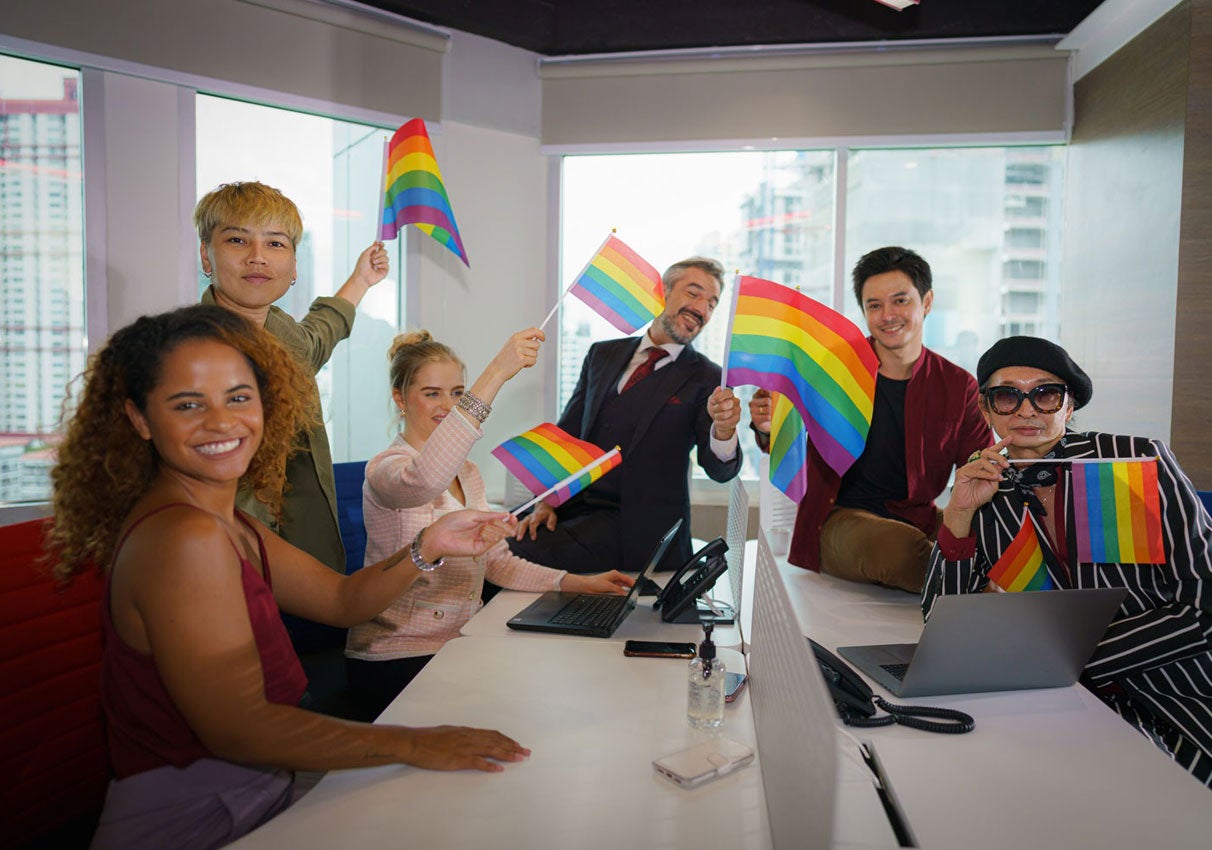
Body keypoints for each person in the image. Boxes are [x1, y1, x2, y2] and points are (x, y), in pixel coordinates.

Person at [47, 306, 530, 849]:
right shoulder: (184, 537)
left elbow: (345, 600)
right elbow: (240, 729)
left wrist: (428, 544)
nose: (221, 422)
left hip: (260, 786)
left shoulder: (229, 522)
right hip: (200, 816)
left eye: (238, 396)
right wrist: (414, 743)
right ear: (139, 419)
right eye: (187, 404)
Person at [923, 336, 1212, 787]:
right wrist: (957, 514)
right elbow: (942, 626)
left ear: (1069, 405)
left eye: (1045, 393)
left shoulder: (1135, 462)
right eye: (1007, 395)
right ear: (986, 410)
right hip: (1057, 709)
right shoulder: (983, 491)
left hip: (1177, 691)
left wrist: (1061, 659)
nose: (1026, 410)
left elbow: (1204, 607)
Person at [344, 330, 634, 715]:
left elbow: (497, 562)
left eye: (458, 393)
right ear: (400, 399)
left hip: (461, 642)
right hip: (396, 656)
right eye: (432, 393)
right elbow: (425, 479)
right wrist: (497, 370)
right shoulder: (387, 469)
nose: (447, 405)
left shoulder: (469, 473)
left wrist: (575, 583)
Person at [749, 246, 990, 592]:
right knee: (900, 549)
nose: (887, 314)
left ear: (927, 302)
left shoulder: (957, 384)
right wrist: (768, 427)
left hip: (920, 516)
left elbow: (980, 465)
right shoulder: (833, 369)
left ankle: (983, 590)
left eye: (900, 301)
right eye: (874, 305)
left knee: (993, 538)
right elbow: (786, 439)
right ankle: (976, 593)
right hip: (839, 519)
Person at [195, 181, 389, 573]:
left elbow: (319, 336)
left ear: (295, 264)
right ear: (206, 256)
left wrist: (361, 280)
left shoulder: (283, 335)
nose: (257, 258)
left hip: (300, 554)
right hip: (225, 558)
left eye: (275, 244)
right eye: (237, 240)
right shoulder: (188, 354)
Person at [509, 256, 744, 574]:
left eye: (712, 303)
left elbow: (718, 469)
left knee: (508, 554)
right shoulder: (601, 354)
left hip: (637, 533)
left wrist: (725, 430)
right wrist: (547, 500)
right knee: (491, 535)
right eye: (694, 293)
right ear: (663, 292)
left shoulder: (707, 377)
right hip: (573, 509)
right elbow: (569, 436)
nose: (702, 309)